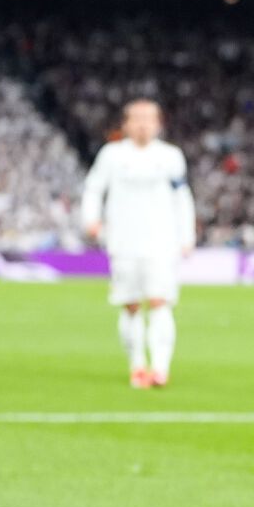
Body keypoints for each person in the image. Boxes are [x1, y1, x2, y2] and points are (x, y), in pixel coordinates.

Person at [80, 99, 193, 388]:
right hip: (124, 242)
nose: (143, 124)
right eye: (137, 118)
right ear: (126, 123)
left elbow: (182, 197)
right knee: (130, 305)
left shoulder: (170, 156)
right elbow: (93, 188)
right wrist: (91, 219)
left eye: (149, 118)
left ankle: (160, 367)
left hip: (161, 242)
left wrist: (187, 235)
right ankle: (137, 365)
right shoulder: (112, 155)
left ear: (158, 123)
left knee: (159, 302)